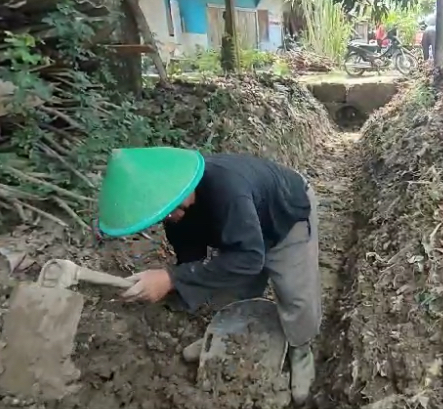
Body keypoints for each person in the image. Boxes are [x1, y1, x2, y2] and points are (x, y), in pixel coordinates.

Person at [96, 147, 321, 406]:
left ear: (185, 184)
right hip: (245, 223)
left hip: (286, 213)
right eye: (164, 213)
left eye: (174, 207)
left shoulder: (226, 191)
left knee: (296, 294)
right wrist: (172, 284)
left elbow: (249, 258)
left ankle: (301, 348)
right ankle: (228, 336)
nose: (171, 216)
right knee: (233, 287)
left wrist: (170, 279)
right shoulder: (176, 212)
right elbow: (191, 258)